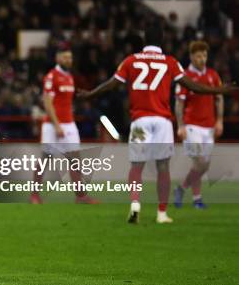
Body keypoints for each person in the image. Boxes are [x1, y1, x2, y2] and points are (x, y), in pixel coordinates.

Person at [78, 22, 235, 224]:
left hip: (140, 121)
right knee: (163, 167)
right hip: (162, 122)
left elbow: (111, 84)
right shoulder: (170, 62)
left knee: (136, 166)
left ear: (144, 40)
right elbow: (194, 87)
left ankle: (135, 204)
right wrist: (219, 91)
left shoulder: (131, 61)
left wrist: (90, 94)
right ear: (162, 40)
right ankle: (161, 213)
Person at [31, 42, 98, 205]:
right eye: (66, 57)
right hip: (53, 124)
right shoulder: (51, 76)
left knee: (75, 159)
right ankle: (34, 195)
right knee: (45, 158)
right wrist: (57, 124)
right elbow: (47, 103)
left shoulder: (69, 77)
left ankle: (81, 196)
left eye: (70, 58)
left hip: (69, 123)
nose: (69, 60)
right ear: (58, 58)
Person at [174, 41, 223, 209]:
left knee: (203, 165)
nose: (202, 59)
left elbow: (219, 98)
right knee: (200, 163)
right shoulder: (185, 77)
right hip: (191, 126)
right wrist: (180, 126)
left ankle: (181, 189)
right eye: (199, 56)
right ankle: (197, 199)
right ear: (191, 57)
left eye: (204, 55)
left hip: (209, 127)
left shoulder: (213, 75)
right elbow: (179, 103)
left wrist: (219, 120)